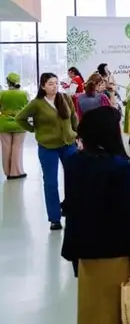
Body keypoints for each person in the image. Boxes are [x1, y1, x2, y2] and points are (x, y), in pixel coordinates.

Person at [61, 106, 130, 324]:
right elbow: (128, 215)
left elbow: (72, 206)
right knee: (114, 310)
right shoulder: (118, 167)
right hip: (115, 251)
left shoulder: (73, 162)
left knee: (91, 308)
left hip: (84, 251)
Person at [16, 73, 79, 230]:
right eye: (50, 84)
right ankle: (54, 218)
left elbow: (74, 118)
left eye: (56, 83)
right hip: (48, 147)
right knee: (50, 183)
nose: (54, 86)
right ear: (43, 86)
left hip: (69, 144)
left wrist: (78, 134)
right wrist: (34, 130)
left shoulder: (65, 98)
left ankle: (71, 210)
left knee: (74, 179)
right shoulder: (36, 103)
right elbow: (20, 118)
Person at [0, 73, 29, 179]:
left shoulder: (2, 94)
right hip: (20, 123)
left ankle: (7, 172)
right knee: (17, 147)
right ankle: (16, 172)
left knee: (5, 147)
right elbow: (28, 108)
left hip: (4, 124)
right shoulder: (24, 94)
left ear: (8, 82)